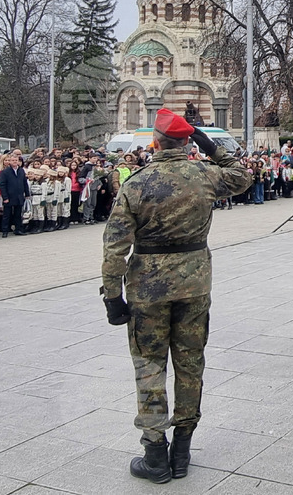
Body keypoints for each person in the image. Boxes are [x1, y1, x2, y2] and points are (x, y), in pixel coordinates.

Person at [101, 108, 252, 483]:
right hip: (195, 281)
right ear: (188, 142)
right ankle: (182, 449)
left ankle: (156, 453)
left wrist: (111, 295)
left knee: (150, 365)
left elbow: (115, 245)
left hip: (147, 287)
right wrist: (213, 147)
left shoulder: (136, 183)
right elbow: (244, 177)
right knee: (190, 363)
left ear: (155, 142)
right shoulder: (205, 175)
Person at [0, 153, 29, 237]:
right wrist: (5, 197)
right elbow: (2, 185)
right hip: (9, 196)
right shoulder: (5, 172)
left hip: (19, 196)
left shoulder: (21, 170)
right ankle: (5, 231)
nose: (14, 162)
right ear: (9, 162)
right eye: (12, 160)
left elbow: (24, 182)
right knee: (6, 215)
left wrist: (27, 193)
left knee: (18, 214)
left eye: (16, 160)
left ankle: (18, 229)